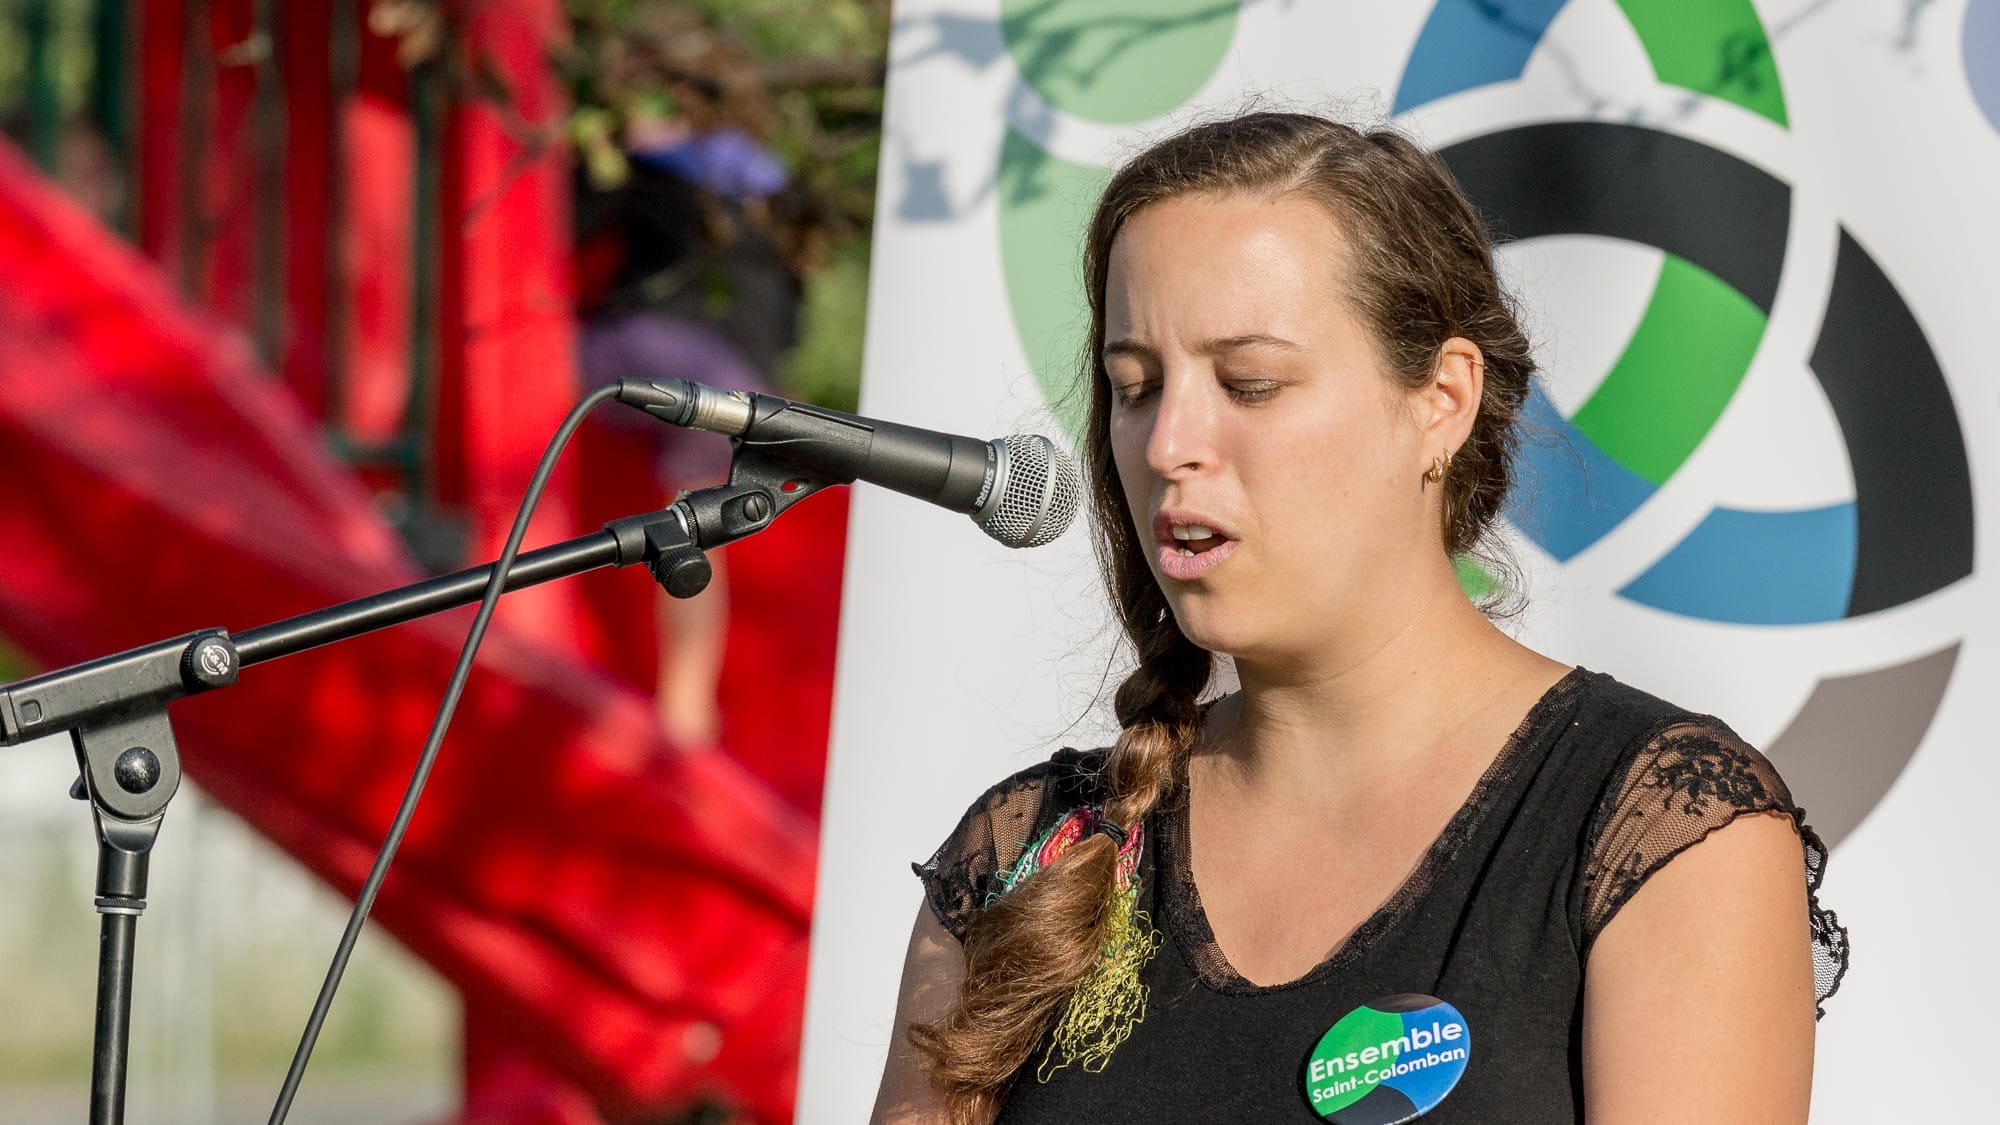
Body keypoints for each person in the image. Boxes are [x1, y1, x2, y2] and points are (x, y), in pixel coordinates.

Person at [870, 113, 1847, 1123]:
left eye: (1249, 384)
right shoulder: (1031, 848)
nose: (1167, 444)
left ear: (1441, 399)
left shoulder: (1655, 823)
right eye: (1136, 388)